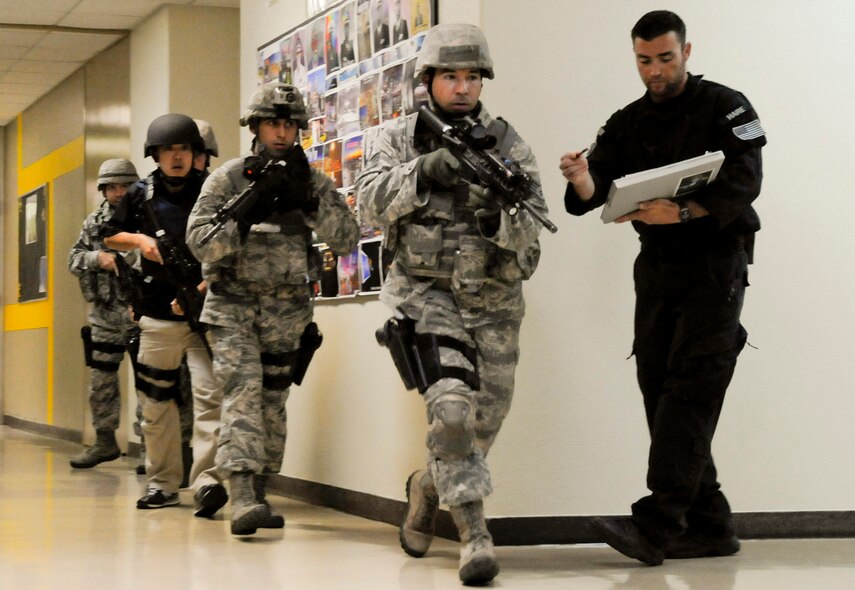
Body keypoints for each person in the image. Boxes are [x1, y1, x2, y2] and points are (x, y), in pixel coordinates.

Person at [560, 10, 766, 566]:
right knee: (657, 383)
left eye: (665, 58)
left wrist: (684, 210)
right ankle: (710, 524)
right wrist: (582, 178)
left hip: (715, 266)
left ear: (687, 51)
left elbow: (747, 181)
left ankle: (656, 523)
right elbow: (596, 186)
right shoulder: (628, 121)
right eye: (644, 61)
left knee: (692, 386)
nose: (655, 71)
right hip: (657, 270)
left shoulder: (725, 105)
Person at [355, 23, 546, 585]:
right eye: (450, 77)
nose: (461, 89)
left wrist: (496, 217)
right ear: (428, 81)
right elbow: (368, 201)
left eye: (470, 78)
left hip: (493, 302)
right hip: (425, 294)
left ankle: (425, 488)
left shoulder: (509, 146)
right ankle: (474, 536)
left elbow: (532, 229)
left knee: (482, 421)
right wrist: (424, 170)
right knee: (453, 413)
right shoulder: (397, 139)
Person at [186, 82, 359, 536]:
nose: (281, 133)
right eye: (272, 124)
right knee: (242, 394)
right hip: (233, 307)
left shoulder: (313, 181)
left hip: (287, 312)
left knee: (272, 403)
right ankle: (242, 494)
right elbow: (199, 241)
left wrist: (311, 201)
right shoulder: (227, 178)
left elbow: (347, 239)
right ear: (255, 128)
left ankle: (258, 489)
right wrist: (248, 205)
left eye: (288, 125)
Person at [103, 113, 227, 516]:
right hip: (158, 314)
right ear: (154, 154)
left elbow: (231, 245)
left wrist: (204, 286)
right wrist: (139, 238)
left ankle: (208, 482)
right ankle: (162, 484)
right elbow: (110, 235)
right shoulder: (140, 194)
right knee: (156, 405)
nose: (177, 157)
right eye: (169, 150)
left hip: (207, 313)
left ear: (196, 154)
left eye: (185, 149)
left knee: (211, 400)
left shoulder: (213, 190)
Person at [67, 159, 141, 469]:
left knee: (152, 386)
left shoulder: (147, 218)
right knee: (101, 382)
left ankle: (155, 450)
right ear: (104, 190)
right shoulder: (94, 223)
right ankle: (105, 441)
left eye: (124, 186)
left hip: (142, 314)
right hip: (105, 314)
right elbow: (74, 258)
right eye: (113, 187)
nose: (119, 192)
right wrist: (99, 258)